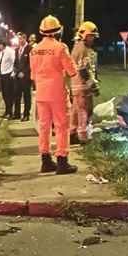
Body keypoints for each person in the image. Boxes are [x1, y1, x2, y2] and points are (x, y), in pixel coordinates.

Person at [30, 15, 78, 174]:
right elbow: (72, 71)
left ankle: (45, 161)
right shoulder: (61, 47)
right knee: (61, 126)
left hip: (41, 93)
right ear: (58, 31)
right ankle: (62, 161)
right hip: (57, 92)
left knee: (44, 127)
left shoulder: (35, 50)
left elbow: (33, 75)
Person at [69, 21, 100, 144]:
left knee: (75, 110)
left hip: (76, 85)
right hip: (83, 86)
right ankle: (82, 136)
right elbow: (83, 69)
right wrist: (93, 86)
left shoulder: (76, 47)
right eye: (91, 36)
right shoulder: (83, 49)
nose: (93, 39)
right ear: (84, 35)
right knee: (84, 110)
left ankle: (72, 133)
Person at [13, 32, 32, 121]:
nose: (20, 41)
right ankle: (16, 113)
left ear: (25, 39)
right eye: (18, 39)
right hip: (17, 77)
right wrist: (16, 71)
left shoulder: (30, 49)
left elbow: (31, 63)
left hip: (26, 77)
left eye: (21, 39)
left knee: (26, 97)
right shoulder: (17, 50)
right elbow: (15, 63)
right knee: (17, 96)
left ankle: (26, 114)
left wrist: (24, 72)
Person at [0, 41, 16, 118]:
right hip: (3, 74)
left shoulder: (10, 51)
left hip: (8, 75)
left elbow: (14, 62)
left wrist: (13, 73)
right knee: (4, 94)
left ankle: (10, 112)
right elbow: (0, 63)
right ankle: (7, 111)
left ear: (2, 45)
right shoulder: (1, 52)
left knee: (9, 95)